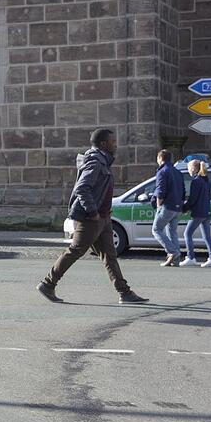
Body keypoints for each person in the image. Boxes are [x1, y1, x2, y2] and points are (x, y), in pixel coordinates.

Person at [38, 128, 148, 304]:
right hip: (91, 218)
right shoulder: (95, 162)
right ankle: (48, 284)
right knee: (75, 251)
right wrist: (93, 212)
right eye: (113, 142)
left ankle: (124, 292)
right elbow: (82, 188)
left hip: (103, 218)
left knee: (110, 256)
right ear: (104, 144)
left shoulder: (103, 161)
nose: (116, 144)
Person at [151, 149, 186, 267]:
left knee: (156, 230)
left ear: (160, 158)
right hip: (178, 207)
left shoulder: (162, 171)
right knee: (172, 231)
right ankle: (175, 260)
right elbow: (183, 191)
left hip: (167, 206)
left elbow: (160, 190)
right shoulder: (178, 172)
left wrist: (158, 204)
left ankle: (173, 252)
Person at [180, 159, 211, 267]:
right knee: (207, 237)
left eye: (188, 168)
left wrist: (184, 208)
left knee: (187, 234)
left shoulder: (196, 181)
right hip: (207, 212)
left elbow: (193, 199)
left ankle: (191, 257)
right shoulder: (206, 181)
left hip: (198, 213)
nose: (188, 171)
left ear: (193, 169)